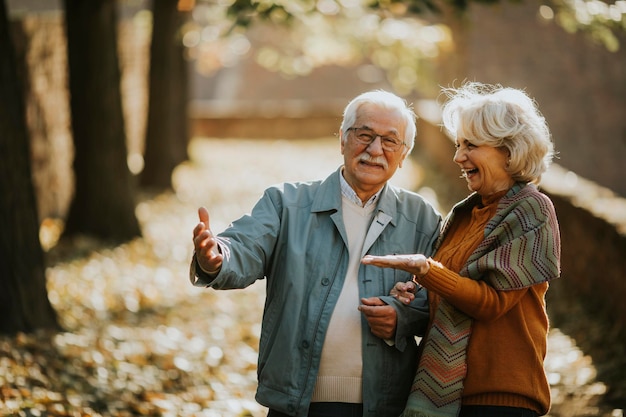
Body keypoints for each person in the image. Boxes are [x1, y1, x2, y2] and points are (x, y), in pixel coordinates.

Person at [190, 90, 442, 417]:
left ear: (404, 153)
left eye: (390, 141)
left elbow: (439, 297)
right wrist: (217, 257)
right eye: (364, 135)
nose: (375, 149)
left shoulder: (421, 218)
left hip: (384, 404)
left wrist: (402, 316)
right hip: (296, 402)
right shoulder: (287, 203)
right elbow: (244, 245)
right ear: (342, 139)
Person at [362, 81, 561, 417]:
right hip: (449, 398)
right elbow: (451, 298)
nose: (458, 157)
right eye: (457, 144)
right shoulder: (465, 214)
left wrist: (428, 271)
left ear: (509, 149)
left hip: (501, 398)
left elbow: (491, 303)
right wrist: (410, 301)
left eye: (471, 145)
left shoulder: (531, 210)